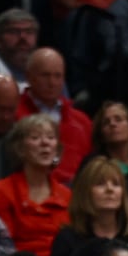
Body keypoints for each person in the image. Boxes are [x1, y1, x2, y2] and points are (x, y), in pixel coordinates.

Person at [0, 114, 70, 256]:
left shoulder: (67, 195)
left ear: (57, 149)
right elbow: (0, 249)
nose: (45, 143)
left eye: (50, 137)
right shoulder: (1, 192)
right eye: (35, 137)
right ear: (20, 149)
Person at [48, 157, 128, 256]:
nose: (110, 189)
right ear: (85, 192)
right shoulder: (67, 239)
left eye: (116, 184)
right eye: (100, 184)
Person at [13, 49, 91, 186]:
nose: (52, 82)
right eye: (45, 75)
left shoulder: (82, 122)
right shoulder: (14, 114)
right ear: (29, 77)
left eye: (58, 76)